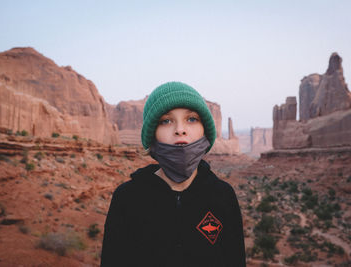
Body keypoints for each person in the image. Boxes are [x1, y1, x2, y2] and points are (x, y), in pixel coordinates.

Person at [101, 81, 246, 267]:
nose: (180, 129)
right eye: (166, 121)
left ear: (205, 131)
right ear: (153, 134)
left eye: (191, 119)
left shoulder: (223, 196)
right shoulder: (128, 198)